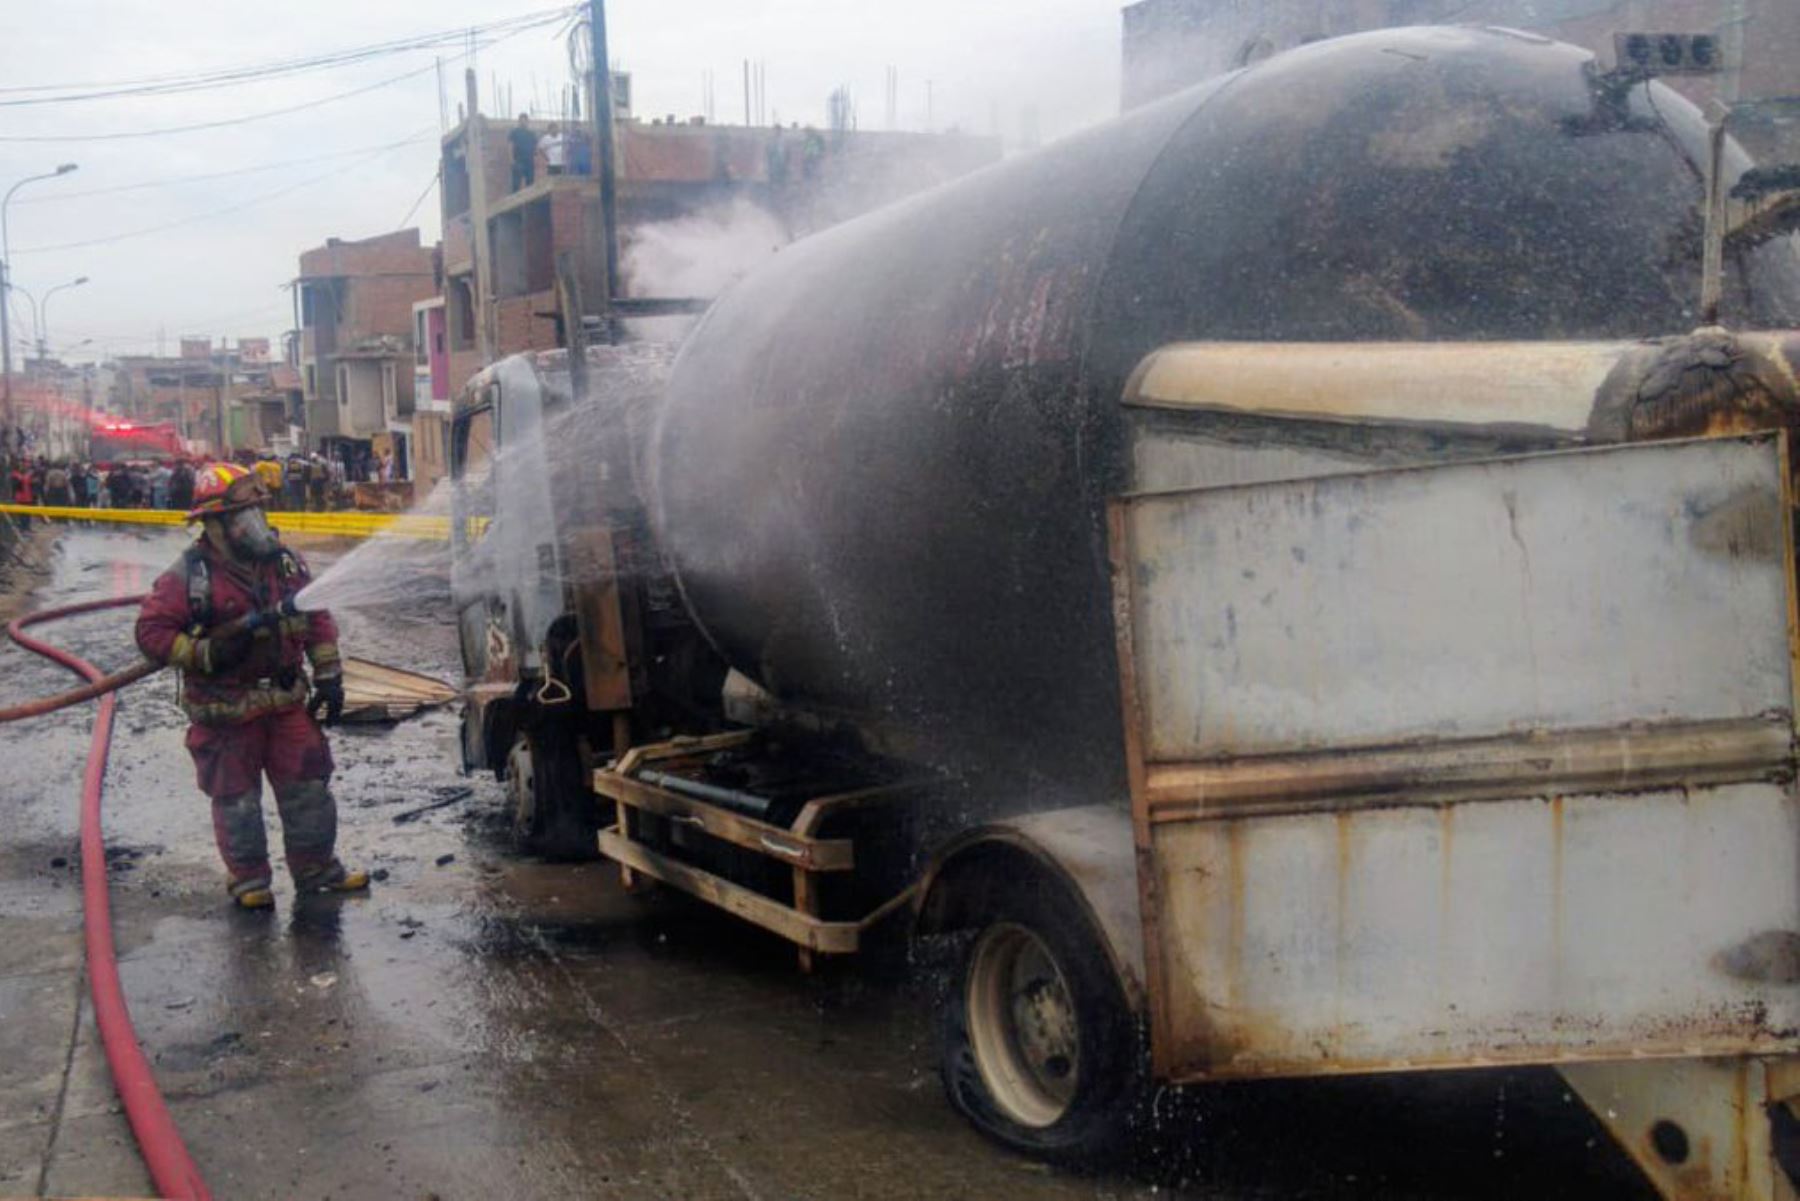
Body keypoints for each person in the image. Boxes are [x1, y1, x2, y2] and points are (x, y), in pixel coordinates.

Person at [134, 463, 368, 910]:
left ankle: (316, 870)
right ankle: (249, 881)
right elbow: (151, 632)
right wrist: (203, 653)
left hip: (283, 702)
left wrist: (329, 675)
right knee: (236, 799)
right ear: (216, 523)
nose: (256, 523)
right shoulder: (188, 577)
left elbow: (316, 615)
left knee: (309, 787)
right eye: (244, 514)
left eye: (258, 511)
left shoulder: (284, 562)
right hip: (225, 710)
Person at [508, 113, 538, 191]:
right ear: (519, 121)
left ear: (527, 122)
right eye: (521, 121)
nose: (523, 122)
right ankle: (514, 202)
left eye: (525, 121)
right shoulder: (514, 132)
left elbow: (535, 147)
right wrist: (511, 159)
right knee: (516, 185)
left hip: (529, 161)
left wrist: (535, 154)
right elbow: (510, 146)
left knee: (530, 184)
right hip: (518, 161)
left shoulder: (531, 134)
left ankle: (529, 202)